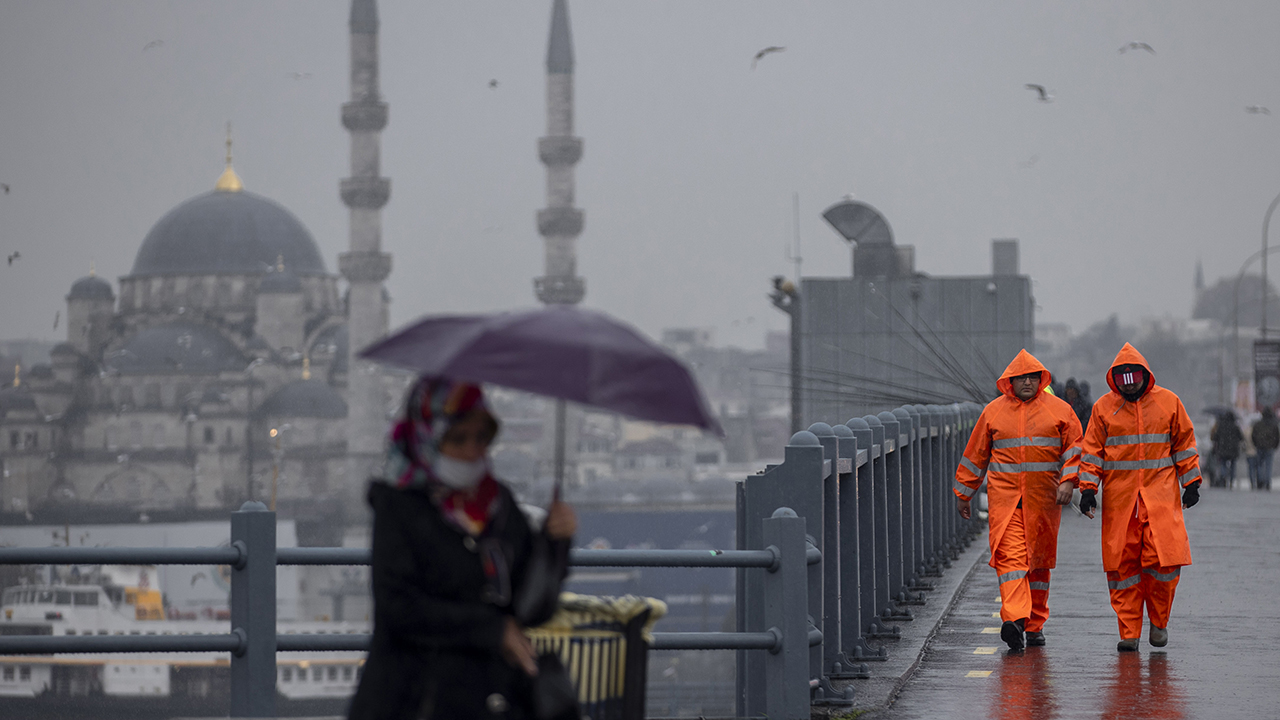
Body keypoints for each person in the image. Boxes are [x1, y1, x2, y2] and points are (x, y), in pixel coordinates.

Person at [348, 377, 578, 720]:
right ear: (427, 438)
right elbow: (400, 608)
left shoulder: (498, 505)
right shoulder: (400, 508)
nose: (472, 451)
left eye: (481, 438)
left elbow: (531, 605)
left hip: (487, 696)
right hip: (416, 698)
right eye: (458, 439)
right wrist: (491, 630)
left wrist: (555, 543)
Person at [954, 349, 1083, 651]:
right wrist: (964, 493)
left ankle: (1034, 624)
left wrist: (1068, 482)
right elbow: (976, 456)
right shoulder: (994, 412)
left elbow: (1077, 449)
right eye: (1021, 377)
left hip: (1044, 502)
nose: (1027, 381)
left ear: (1041, 379)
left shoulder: (1060, 411)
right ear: (1009, 381)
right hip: (1006, 502)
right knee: (1011, 562)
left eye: (1032, 376)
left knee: (1038, 566)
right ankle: (1014, 619)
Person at [1077, 343, 1201, 652]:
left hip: (1160, 500)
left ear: (1146, 376)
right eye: (1123, 380)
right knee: (1123, 569)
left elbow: (1184, 443)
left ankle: (1159, 623)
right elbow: (1092, 452)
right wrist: (1088, 489)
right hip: (1121, 504)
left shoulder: (1169, 403)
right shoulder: (1103, 409)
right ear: (1114, 380)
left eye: (1134, 378)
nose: (1129, 385)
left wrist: (1192, 482)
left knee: (1163, 565)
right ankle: (1128, 632)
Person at [1210, 412, 1243, 488]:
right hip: (1233, 450)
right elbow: (1241, 437)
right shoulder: (1235, 427)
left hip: (1223, 449)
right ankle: (1231, 480)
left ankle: (1223, 478)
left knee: (1223, 464)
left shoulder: (1221, 426)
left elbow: (1215, 437)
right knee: (1233, 466)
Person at [1252, 407, 1279, 490]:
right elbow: (1277, 437)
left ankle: (1260, 481)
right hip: (1270, 447)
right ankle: (1267, 482)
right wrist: (1275, 445)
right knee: (1268, 465)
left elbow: (1253, 435)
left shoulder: (1258, 424)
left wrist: (1256, 444)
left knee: (1260, 465)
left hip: (1260, 447)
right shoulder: (1274, 425)